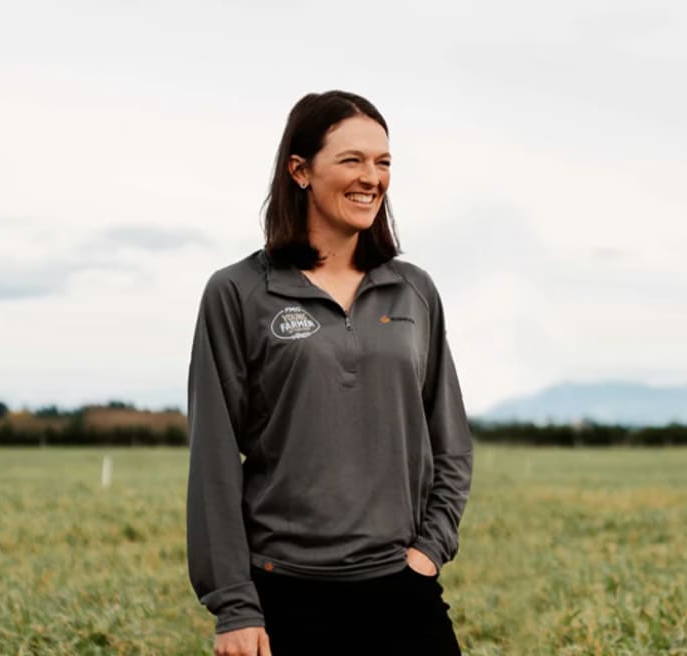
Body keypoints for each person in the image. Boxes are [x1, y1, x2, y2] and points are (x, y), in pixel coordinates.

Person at [186, 90, 473, 656]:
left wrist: (428, 551)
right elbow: (214, 459)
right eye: (352, 160)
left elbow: (451, 440)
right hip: (283, 595)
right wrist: (235, 606)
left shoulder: (413, 290)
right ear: (299, 170)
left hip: (402, 588)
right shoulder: (238, 292)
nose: (372, 177)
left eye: (383, 162)